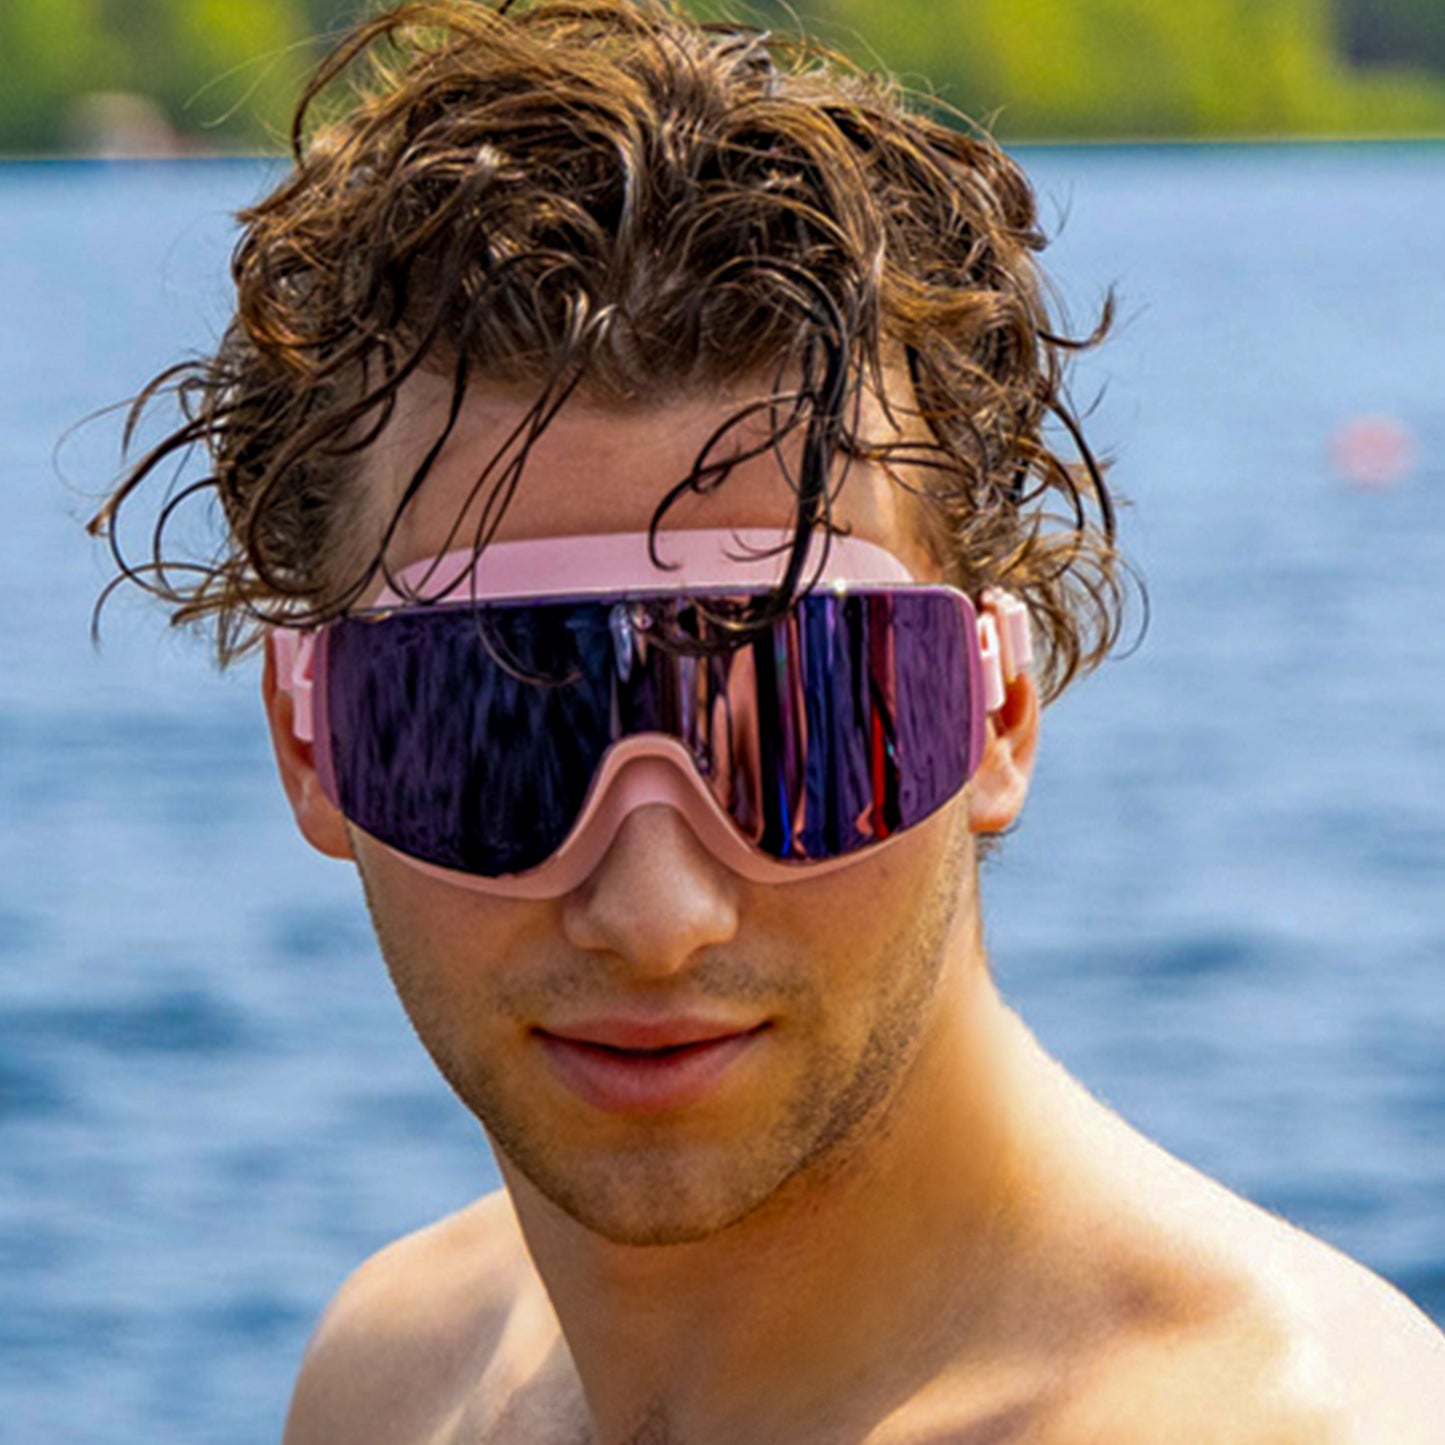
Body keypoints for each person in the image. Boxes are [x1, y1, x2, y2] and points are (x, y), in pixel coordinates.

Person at [92, 2, 1445, 1440]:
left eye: (792, 717)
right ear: (313, 746)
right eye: (496, 721)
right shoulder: (393, 1376)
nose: (654, 912)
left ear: (993, 712)